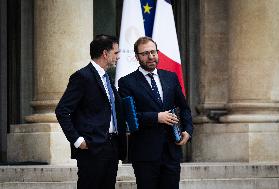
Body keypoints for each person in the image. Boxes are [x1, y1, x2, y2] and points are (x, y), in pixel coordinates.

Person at [118, 36, 193, 189]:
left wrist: (188, 130)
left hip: (172, 151)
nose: (150, 56)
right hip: (145, 153)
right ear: (137, 57)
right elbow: (127, 117)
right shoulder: (126, 82)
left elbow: (184, 107)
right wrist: (156, 117)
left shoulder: (171, 77)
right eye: (145, 53)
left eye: (153, 52)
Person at [55, 34, 126, 189]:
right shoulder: (82, 77)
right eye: (116, 52)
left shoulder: (107, 79)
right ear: (105, 54)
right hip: (91, 148)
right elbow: (62, 111)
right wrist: (77, 140)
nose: (118, 57)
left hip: (111, 147)